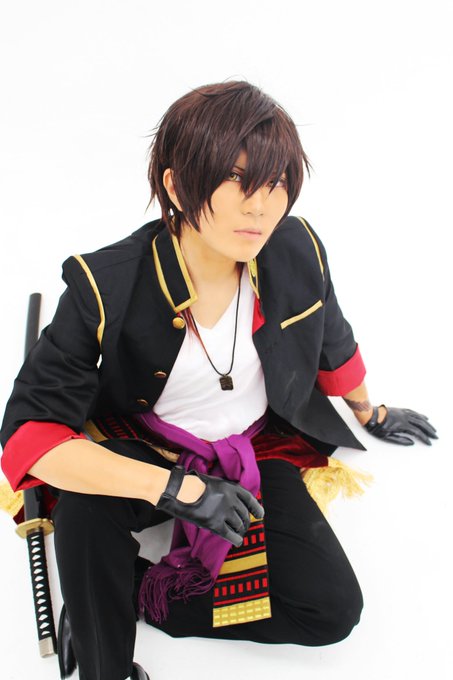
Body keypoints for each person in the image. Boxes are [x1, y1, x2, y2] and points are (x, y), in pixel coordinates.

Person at [0, 81, 437, 680]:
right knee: (83, 503)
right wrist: (177, 490)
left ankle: (132, 589)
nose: (260, 206)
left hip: (253, 446)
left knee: (332, 610)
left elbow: (330, 336)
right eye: (236, 179)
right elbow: (30, 436)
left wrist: (371, 412)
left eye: (276, 182)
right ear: (177, 184)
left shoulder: (295, 248)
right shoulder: (105, 283)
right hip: (149, 444)